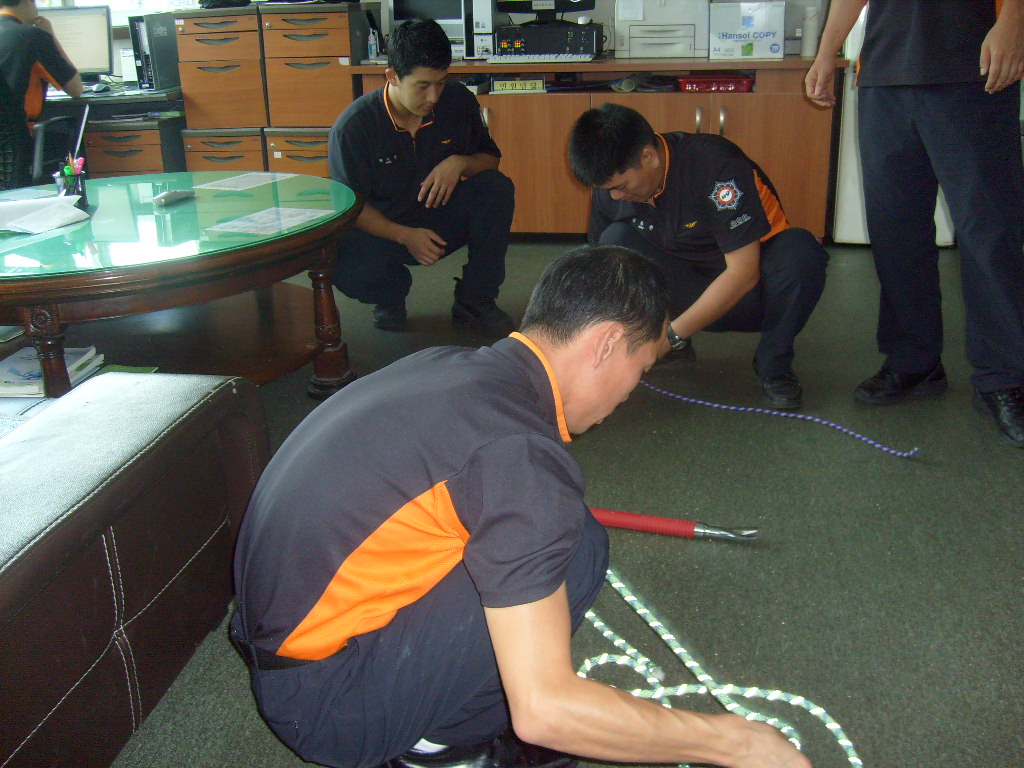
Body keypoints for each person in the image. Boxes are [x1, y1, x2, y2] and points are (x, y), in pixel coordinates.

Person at [230, 244, 812, 768]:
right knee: (578, 549)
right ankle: (437, 747)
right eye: (642, 368)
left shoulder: (448, 366)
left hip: (285, 652)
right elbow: (546, 712)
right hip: (331, 708)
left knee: (555, 533)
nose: (633, 391)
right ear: (607, 343)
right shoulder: (520, 456)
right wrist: (735, 743)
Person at [805, 0, 1024, 448]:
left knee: (990, 235)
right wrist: (827, 51)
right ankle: (914, 360)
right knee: (895, 232)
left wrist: (1014, 21)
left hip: (974, 68)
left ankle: (1005, 377)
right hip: (885, 74)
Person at [568, 103, 829, 411]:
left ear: (649, 157)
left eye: (621, 186)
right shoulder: (610, 189)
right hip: (684, 287)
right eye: (607, 189)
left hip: (750, 292)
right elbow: (598, 272)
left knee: (800, 252)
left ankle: (774, 364)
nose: (615, 196)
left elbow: (743, 273)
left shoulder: (715, 165)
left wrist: (671, 336)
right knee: (615, 244)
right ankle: (673, 347)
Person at [327, 19, 515, 338]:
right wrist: (403, 235)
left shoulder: (458, 101)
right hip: (382, 231)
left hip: (437, 215)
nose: (434, 96)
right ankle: (390, 296)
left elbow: (490, 161)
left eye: (441, 82)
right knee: (340, 257)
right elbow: (351, 207)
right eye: (422, 85)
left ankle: (475, 300)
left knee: (496, 189)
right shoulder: (353, 128)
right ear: (392, 77)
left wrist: (460, 163)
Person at [0, 0, 82, 188]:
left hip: (6, 146)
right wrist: (50, 36)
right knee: (76, 142)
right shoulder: (32, 36)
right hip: (15, 144)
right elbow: (75, 88)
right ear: (28, 2)